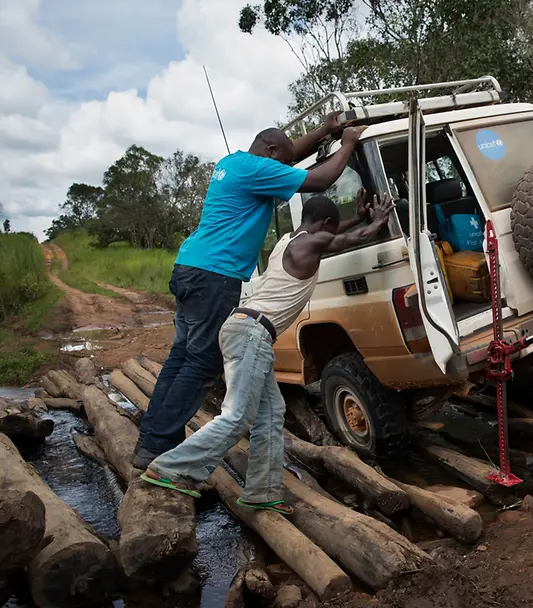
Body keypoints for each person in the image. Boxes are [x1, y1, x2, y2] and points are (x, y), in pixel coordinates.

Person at [133, 115, 367, 470]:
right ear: (270, 151)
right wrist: (348, 141)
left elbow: (289, 153)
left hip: (191, 267)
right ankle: (162, 451)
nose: (286, 169)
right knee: (201, 365)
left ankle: (152, 441)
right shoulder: (256, 170)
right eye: (283, 161)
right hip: (215, 275)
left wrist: (324, 131)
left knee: (181, 359)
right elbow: (320, 179)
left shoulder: (235, 163)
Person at [140, 190, 395, 513]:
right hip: (251, 334)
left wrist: (357, 217)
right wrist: (377, 220)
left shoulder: (289, 239)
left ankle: (262, 491)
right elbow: (354, 238)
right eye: (332, 226)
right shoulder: (310, 244)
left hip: (244, 328)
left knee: (271, 413)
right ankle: (171, 468)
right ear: (325, 224)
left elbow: (334, 232)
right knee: (237, 415)